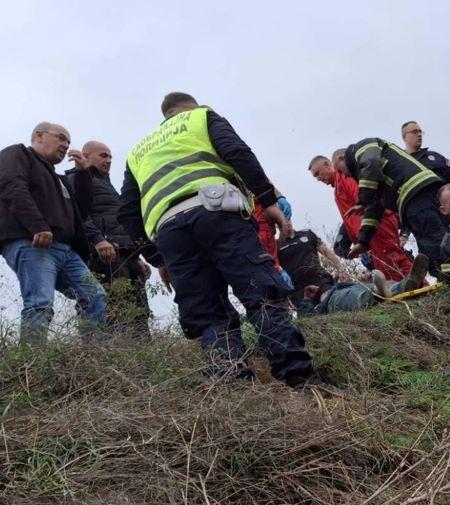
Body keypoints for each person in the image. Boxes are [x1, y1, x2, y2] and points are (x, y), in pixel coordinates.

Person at [117, 92, 321, 388]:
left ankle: (232, 387)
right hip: (217, 214)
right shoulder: (202, 117)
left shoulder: (137, 153)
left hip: (170, 232)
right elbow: (238, 154)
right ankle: (300, 378)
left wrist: (159, 257)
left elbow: (127, 211)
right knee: (261, 293)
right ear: (191, 107)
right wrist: (268, 201)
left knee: (209, 313)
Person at [0, 122, 107, 342]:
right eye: (61, 138)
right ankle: (31, 366)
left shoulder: (60, 180)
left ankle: (93, 356)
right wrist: (38, 225)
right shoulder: (18, 154)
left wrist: (83, 174)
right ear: (39, 136)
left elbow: (81, 211)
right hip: (33, 244)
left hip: (66, 250)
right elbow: (12, 186)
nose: (66, 145)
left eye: (68, 142)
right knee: (40, 302)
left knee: (94, 295)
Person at [64, 141, 152, 336]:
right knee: (111, 307)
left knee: (139, 311)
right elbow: (78, 214)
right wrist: (98, 241)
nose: (109, 160)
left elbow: (118, 222)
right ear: (85, 156)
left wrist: (137, 257)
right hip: (103, 255)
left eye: (110, 157)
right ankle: (106, 357)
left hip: (125, 254)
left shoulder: (107, 185)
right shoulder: (75, 179)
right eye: (103, 155)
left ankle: (141, 361)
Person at [340, 137, 447, 273]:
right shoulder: (375, 177)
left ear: (342, 159)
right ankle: (448, 277)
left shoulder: (362, 147)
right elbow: (375, 208)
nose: (344, 175)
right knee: (431, 243)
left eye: (340, 171)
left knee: (433, 241)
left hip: (413, 192)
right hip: (422, 191)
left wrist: (363, 200)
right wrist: (363, 241)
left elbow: (371, 163)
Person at [308, 153, 413, 281]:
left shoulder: (344, 177)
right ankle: (401, 288)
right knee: (383, 265)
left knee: (392, 257)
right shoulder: (338, 187)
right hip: (370, 231)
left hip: (377, 223)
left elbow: (364, 198)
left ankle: (419, 285)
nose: (318, 178)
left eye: (318, 173)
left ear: (327, 165)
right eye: (315, 177)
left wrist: (366, 230)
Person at [298, 252, 429, 317]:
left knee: (381, 284)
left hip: (346, 287)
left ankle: (405, 285)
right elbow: (305, 319)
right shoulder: (318, 304)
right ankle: (378, 295)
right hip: (332, 300)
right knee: (353, 295)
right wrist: (306, 300)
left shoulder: (335, 283)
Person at [401, 121, 450, 192]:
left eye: (420, 132)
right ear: (404, 137)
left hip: (445, 200)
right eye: (415, 132)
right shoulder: (401, 162)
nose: (419, 134)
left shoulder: (435, 156)